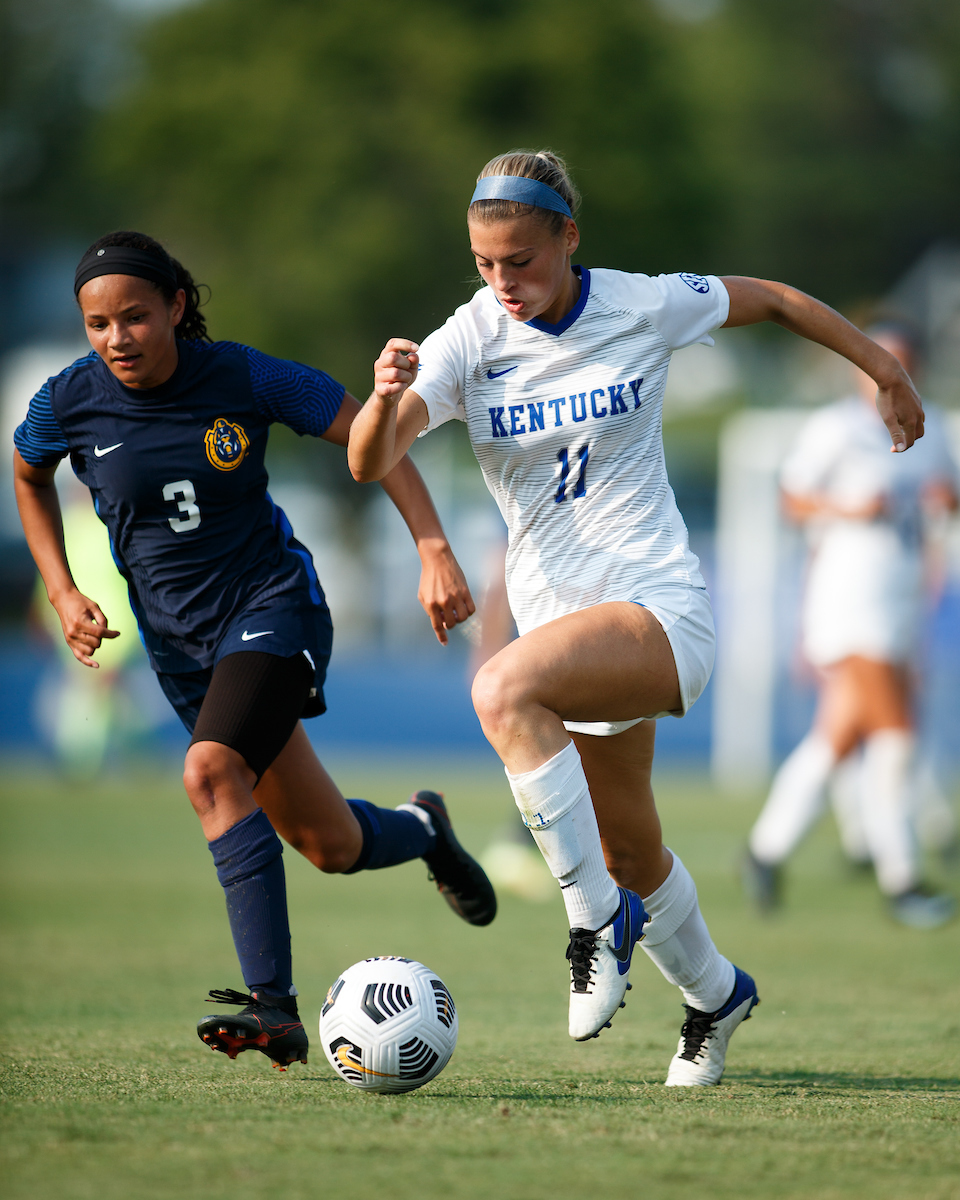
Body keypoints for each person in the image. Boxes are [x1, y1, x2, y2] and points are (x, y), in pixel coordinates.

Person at [347, 150, 925, 1086]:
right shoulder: (469, 337)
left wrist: (882, 367)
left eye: (523, 261)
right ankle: (715, 996)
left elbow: (774, 297)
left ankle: (590, 919)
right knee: (632, 849)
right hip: (565, 631)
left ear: (569, 239)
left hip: (660, 610)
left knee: (500, 687)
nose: (505, 282)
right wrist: (380, 397)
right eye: (487, 264)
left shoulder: (641, 304)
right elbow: (371, 460)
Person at [13, 231, 496, 1071]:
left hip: (274, 611)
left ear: (175, 307)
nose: (117, 337)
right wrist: (61, 589)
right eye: (98, 323)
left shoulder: (243, 377)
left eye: (134, 316)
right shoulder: (67, 400)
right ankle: (425, 829)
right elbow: (26, 473)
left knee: (208, 772)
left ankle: (273, 1010)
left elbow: (371, 440)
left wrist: (432, 548)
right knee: (329, 844)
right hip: (181, 651)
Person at [743, 323, 958, 928]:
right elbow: (793, 500)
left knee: (836, 740)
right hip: (849, 602)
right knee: (897, 736)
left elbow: (946, 499)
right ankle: (902, 879)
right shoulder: (835, 429)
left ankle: (765, 851)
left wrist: (943, 500)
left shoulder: (931, 427)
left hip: (903, 603)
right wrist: (847, 508)